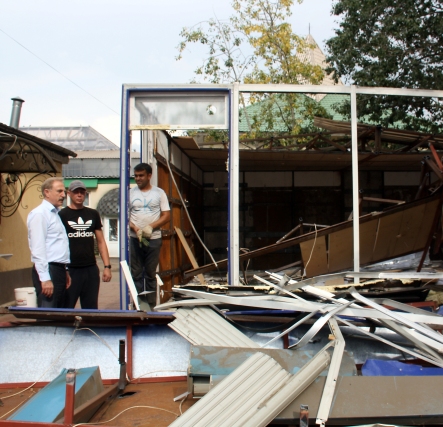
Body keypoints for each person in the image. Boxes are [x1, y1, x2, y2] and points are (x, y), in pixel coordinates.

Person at [59, 180, 112, 309]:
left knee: (91, 308)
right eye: (76, 192)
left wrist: (107, 266)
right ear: (69, 193)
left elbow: (101, 241)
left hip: (90, 269)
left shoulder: (93, 214)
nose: (79, 195)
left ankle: (89, 323)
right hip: (71, 269)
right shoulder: (62, 215)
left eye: (82, 192)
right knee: (66, 307)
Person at [129, 163, 170, 307]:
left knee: (150, 274)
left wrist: (150, 227)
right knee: (136, 273)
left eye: (141, 175)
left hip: (153, 239)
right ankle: (139, 305)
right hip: (135, 239)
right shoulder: (130, 193)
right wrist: (134, 228)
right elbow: (124, 216)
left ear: (149, 176)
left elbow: (166, 215)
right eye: (136, 176)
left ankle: (151, 306)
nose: (138, 178)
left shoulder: (159, 193)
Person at [27, 177, 71, 308]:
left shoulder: (55, 214)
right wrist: (45, 278)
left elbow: (58, 245)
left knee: (60, 313)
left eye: (64, 191)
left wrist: (65, 270)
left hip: (59, 269)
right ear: (47, 192)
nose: (63, 195)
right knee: (48, 311)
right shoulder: (40, 214)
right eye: (59, 191)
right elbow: (38, 248)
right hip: (48, 269)